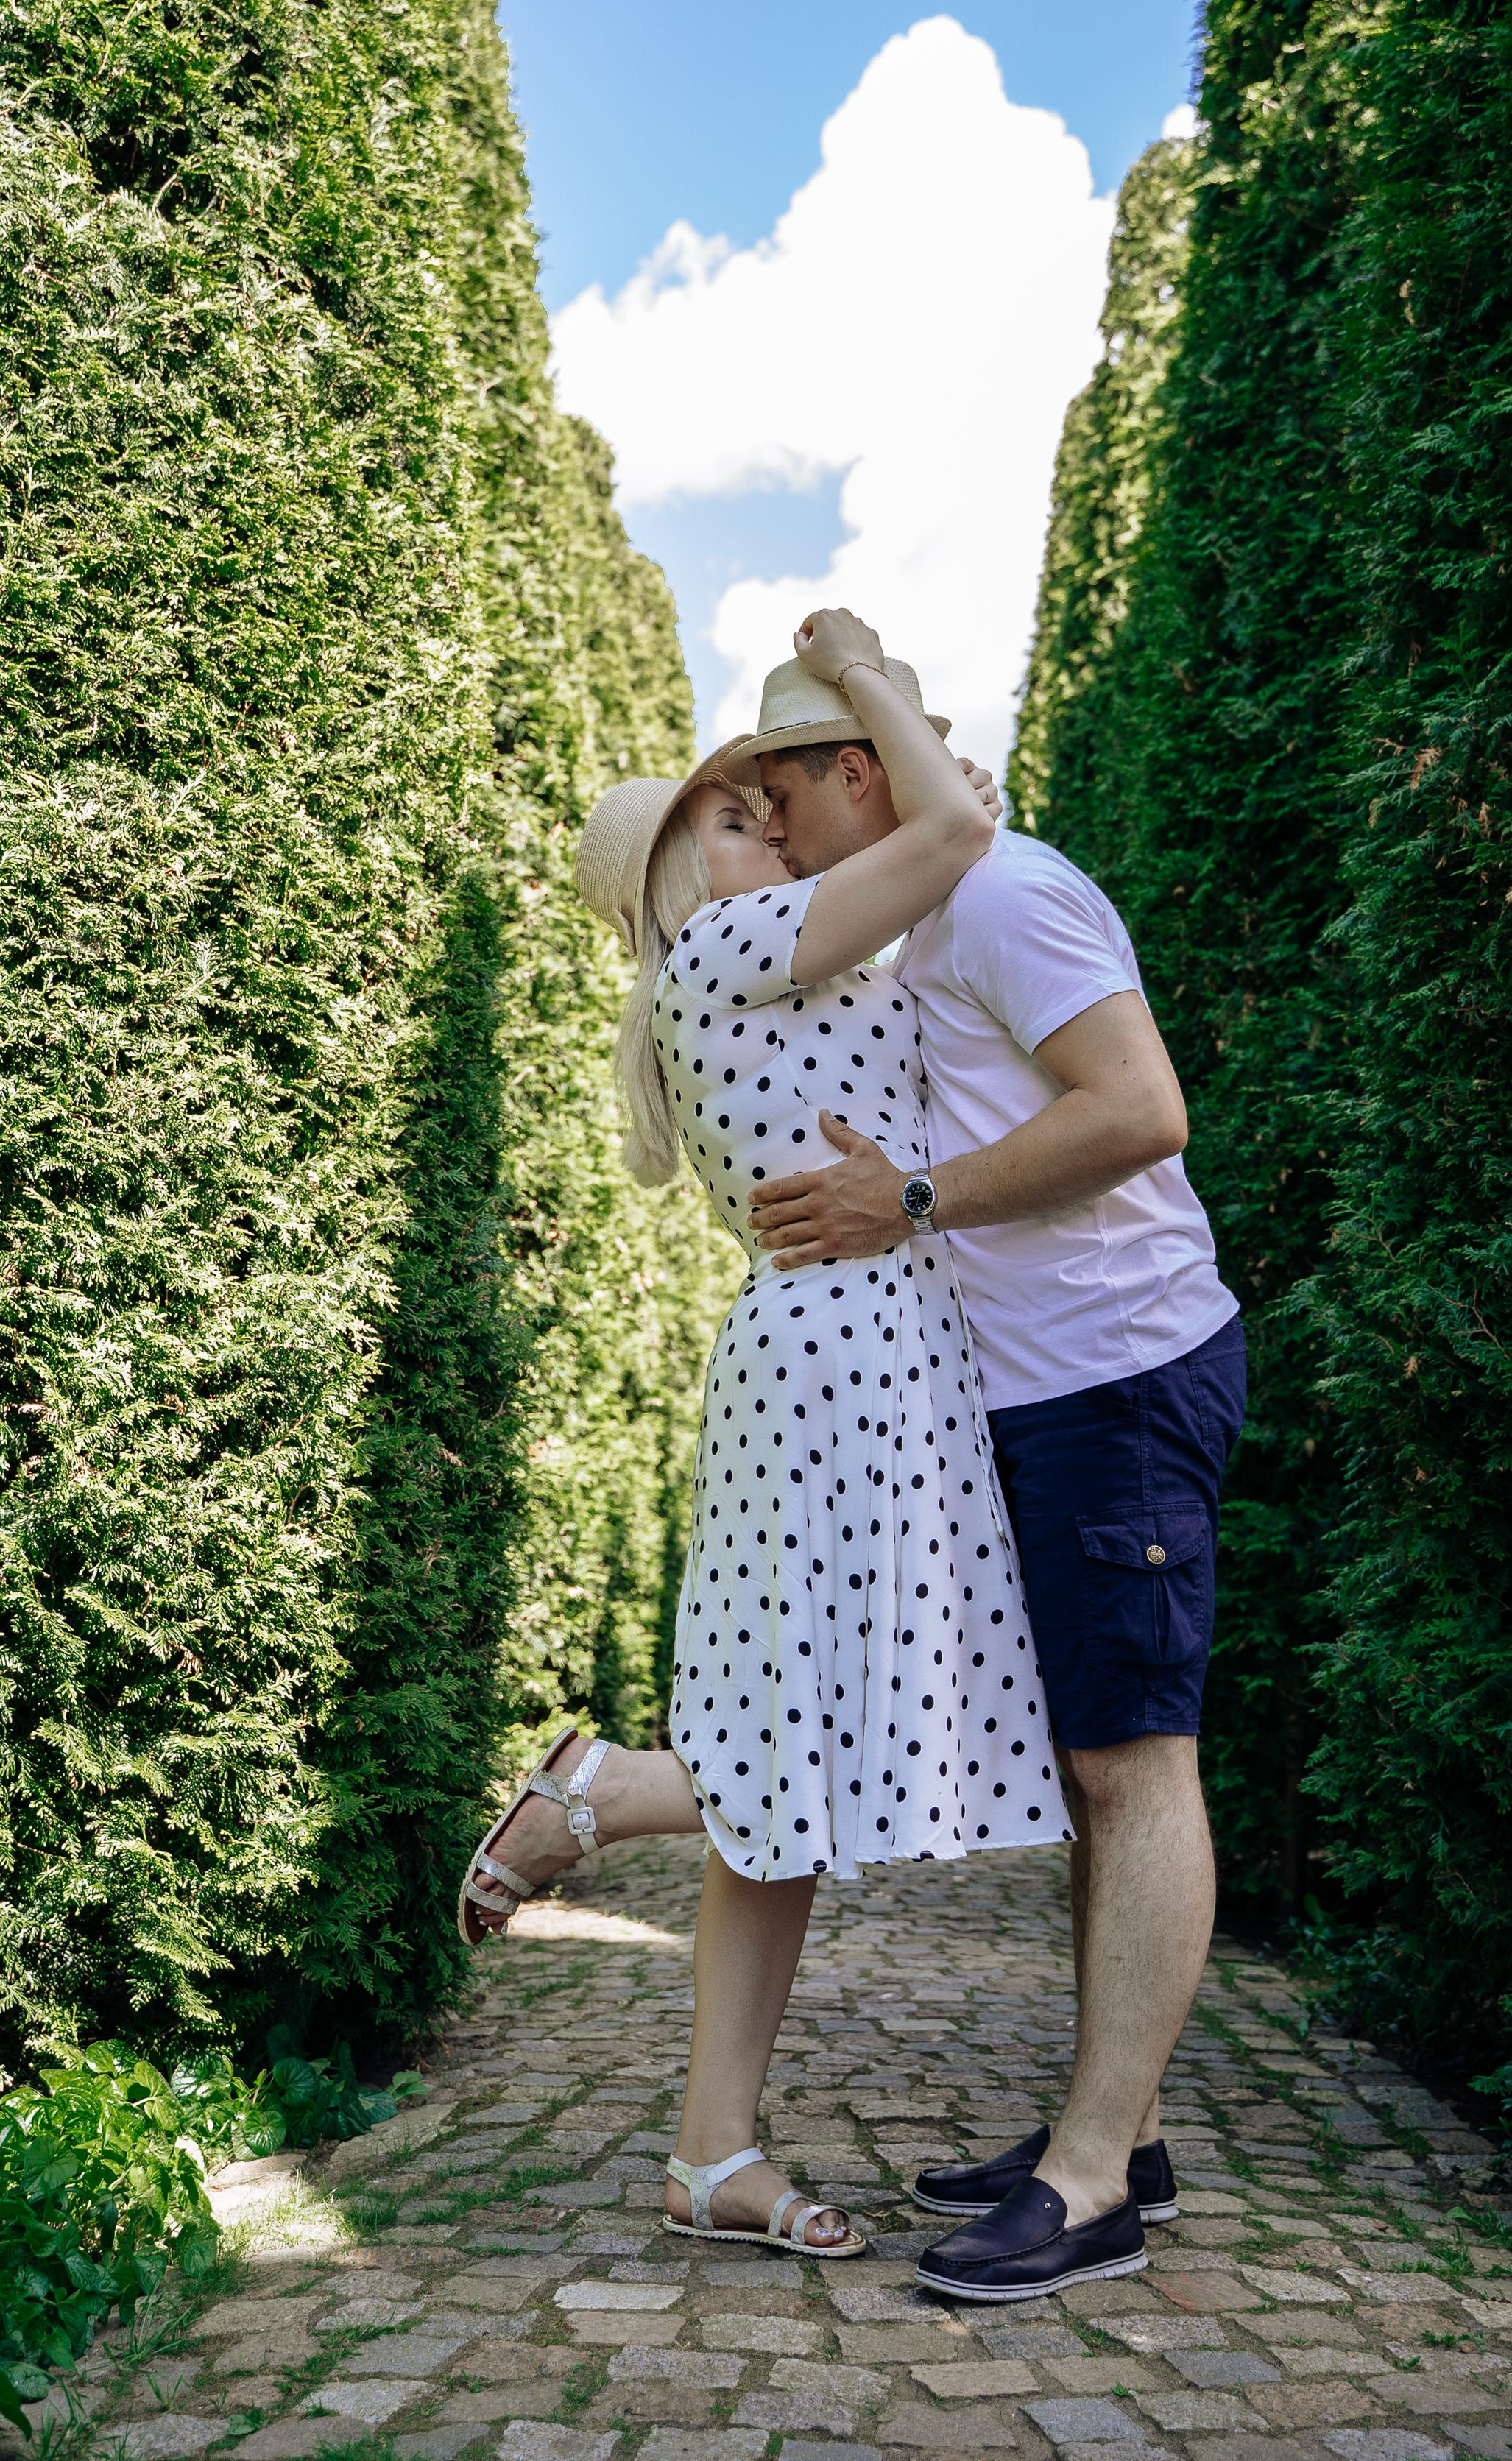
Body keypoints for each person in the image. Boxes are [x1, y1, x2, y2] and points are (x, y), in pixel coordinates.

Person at [453, 607, 1072, 2263]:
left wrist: (924, 782)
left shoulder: (770, 963)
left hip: (858, 1351)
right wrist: (867, 676)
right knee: (783, 1745)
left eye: (762, 805)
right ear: (677, 889)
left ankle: (707, 2152)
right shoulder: (727, 956)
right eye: (732, 820)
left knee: (794, 1780)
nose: (766, 823)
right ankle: (596, 1791)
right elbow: (952, 832)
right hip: (845, 1362)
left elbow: (943, 837)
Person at [738, 652, 1245, 2303]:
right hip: (1046, 1398)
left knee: (1134, 1769)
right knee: (1103, 1766)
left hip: (1120, 1377)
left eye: (786, 794)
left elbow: (1143, 1110)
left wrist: (917, 1204)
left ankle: (1089, 2187)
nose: (782, 833)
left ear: (860, 769)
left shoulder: (1012, 896)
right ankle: (1122, 2133)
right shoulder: (938, 926)